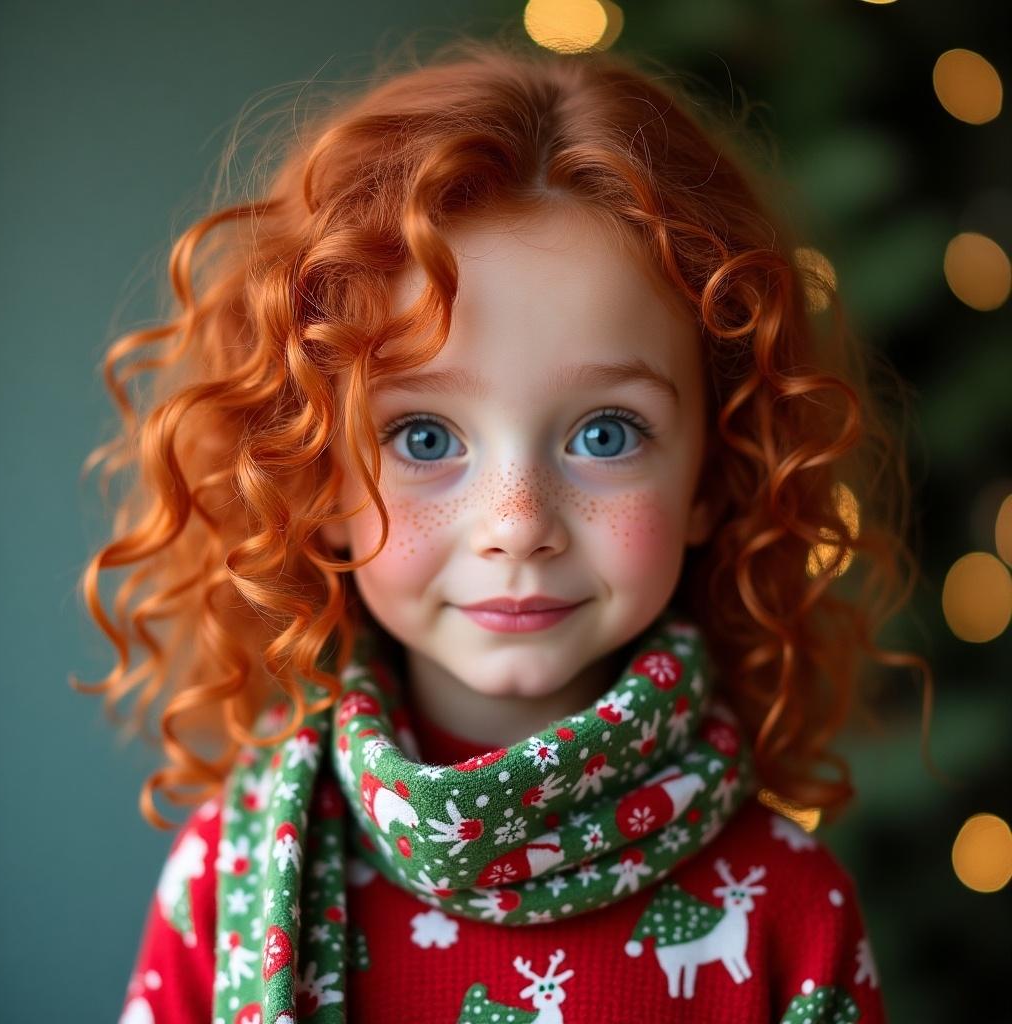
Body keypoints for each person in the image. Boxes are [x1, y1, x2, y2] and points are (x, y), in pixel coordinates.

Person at [76, 36, 935, 1024]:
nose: (518, 525)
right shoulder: (232, 875)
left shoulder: (787, 909)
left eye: (605, 433)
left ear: (715, 470)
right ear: (314, 473)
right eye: (425, 433)